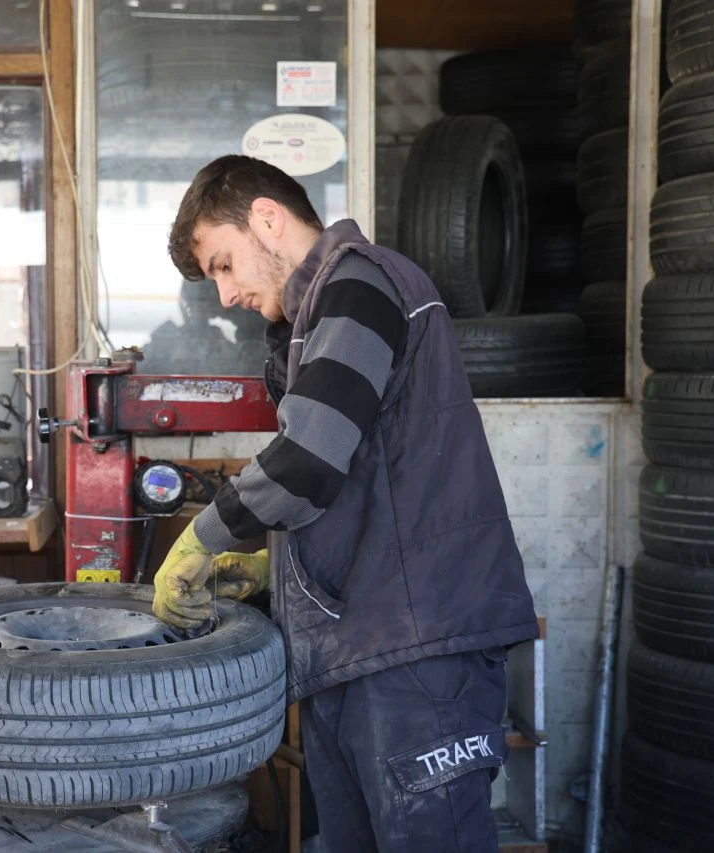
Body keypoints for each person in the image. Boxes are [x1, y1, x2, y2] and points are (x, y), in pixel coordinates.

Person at [152, 155, 539, 851]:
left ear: (267, 219)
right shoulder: (317, 316)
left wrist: (206, 535)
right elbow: (364, 477)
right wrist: (282, 571)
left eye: (223, 263)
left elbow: (309, 457)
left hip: (418, 655)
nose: (225, 293)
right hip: (366, 651)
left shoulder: (360, 284)